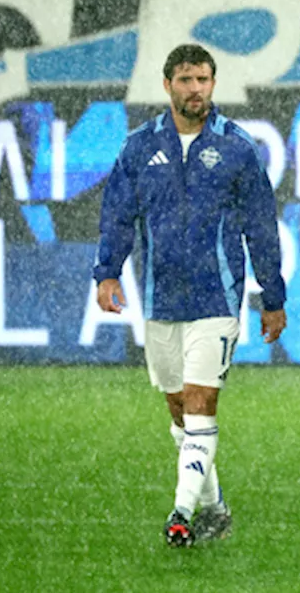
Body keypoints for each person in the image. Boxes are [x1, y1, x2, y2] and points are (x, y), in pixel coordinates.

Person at [93, 43, 287, 547]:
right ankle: (215, 508)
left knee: (202, 406)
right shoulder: (140, 147)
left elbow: (261, 227)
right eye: (185, 80)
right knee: (180, 413)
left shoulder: (237, 148)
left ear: (213, 84)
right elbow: (117, 214)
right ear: (167, 86)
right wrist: (107, 272)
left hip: (216, 299)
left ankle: (180, 514)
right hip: (160, 300)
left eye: (203, 80)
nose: (195, 89)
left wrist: (273, 294)